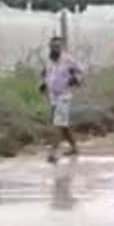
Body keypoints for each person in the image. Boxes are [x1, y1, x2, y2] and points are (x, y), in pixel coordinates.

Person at [39, 36, 84, 164]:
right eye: (53, 46)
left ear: (61, 47)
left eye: (58, 46)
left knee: (57, 124)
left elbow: (80, 70)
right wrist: (43, 84)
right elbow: (46, 74)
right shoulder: (49, 60)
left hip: (64, 95)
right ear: (50, 47)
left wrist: (75, 79)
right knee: (63, 124)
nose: (55, 49)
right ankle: (74, 147)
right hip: (53, 96)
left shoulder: (67, 60)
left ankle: (53, 152)